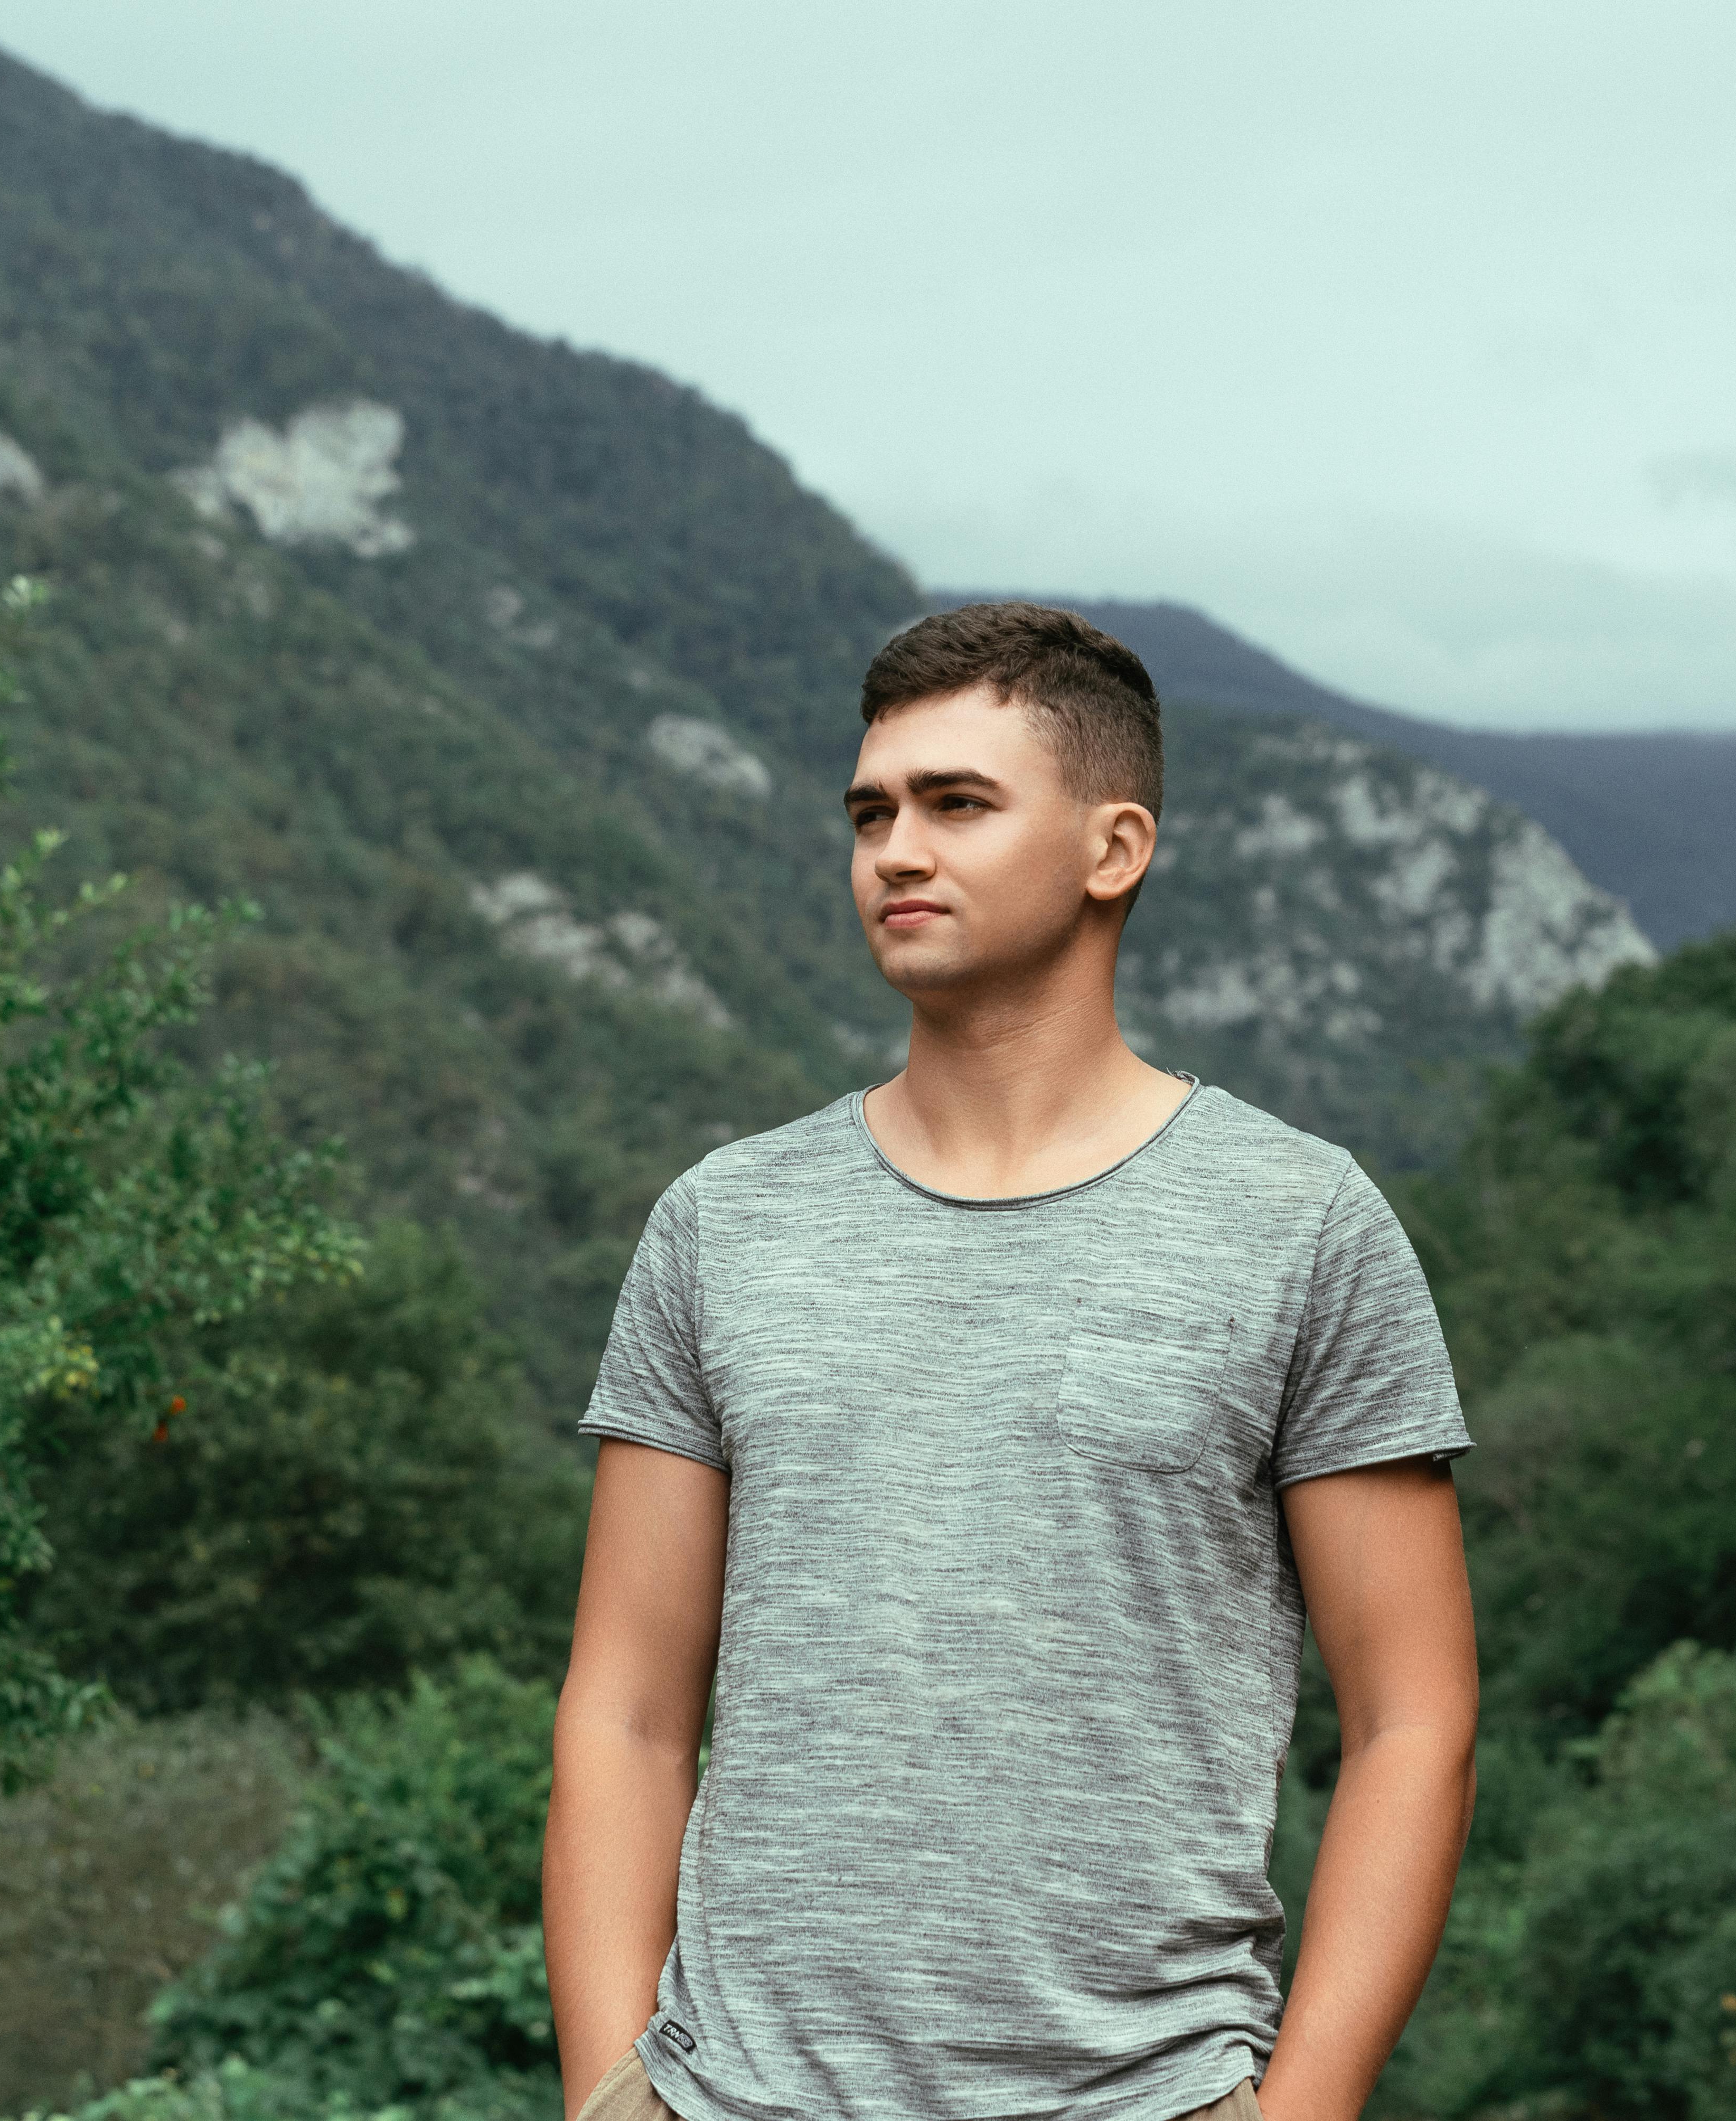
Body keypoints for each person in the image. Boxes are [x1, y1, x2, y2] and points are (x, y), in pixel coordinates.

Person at [542, 602, 1479, 2121]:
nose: (895, 851)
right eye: (871, 812)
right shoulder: (722, 1223)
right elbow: (626, 1710)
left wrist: (1303, 2111)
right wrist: (605, 2091)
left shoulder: (1303, 1224)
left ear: (1115, 848)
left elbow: (1415, 1722)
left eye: (957, 805)